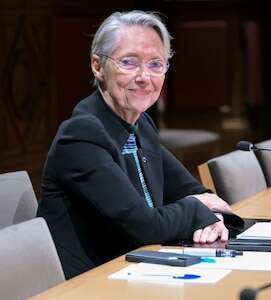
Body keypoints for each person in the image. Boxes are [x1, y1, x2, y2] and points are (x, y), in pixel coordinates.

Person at [37, 10, 232, 279]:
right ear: (97, 66)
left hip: (140, 269)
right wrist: (196, 210)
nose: (144, 77)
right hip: (91, 284)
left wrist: (207, 216)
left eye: (156, 64)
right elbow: (146, 227)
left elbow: (200, 195)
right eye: (129, 62)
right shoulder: (81, 136)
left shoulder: (141, 125)